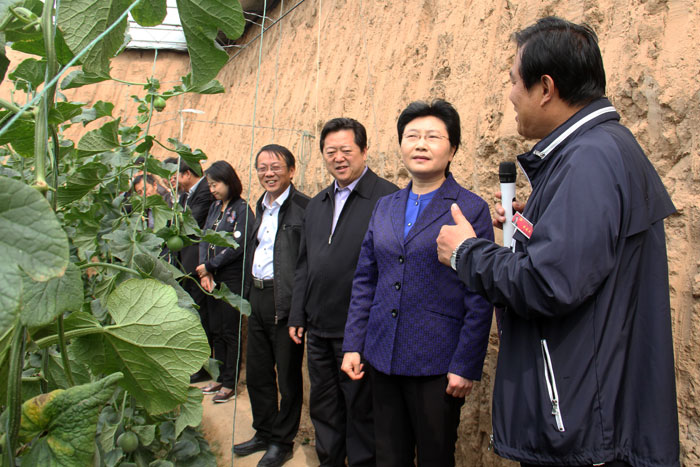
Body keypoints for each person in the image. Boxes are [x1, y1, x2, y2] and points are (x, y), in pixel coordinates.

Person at [436, 17, 679, 467]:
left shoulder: (589, 159)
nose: (509, 95)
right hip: (589, 409)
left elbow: (548, 283)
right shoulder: (597, 150)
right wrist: (533, 227)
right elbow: (582, 259)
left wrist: (466, 253)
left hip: (583, 424)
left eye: (513, 81)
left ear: (545, 87)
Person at [341, 100, 493, 466]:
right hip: (382, 355)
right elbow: (366, 279)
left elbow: (480, 293)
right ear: (401, 144)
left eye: (432, 137)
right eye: (412, 136)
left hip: (436, 363)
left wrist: (466, 364)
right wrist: (354, 344)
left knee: (435, 457)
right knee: (388, 456)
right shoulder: (386, 206)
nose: (420, 145)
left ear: (452, 148)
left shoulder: (470, 208)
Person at [288, 118, 398, 466]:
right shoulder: (318, 203)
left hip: (362, 332)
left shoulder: (388, 198)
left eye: (346, 150)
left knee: (362, 412)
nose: (338, 158)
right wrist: (297, 313)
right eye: (330, 151)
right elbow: (305, 263)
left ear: (365, 151)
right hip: (318, 328)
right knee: (324, 408)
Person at [233, 145, 309, 467]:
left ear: (291, 170)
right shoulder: (260, 207)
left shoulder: (305, 208)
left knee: (288, 378)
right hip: (259, 297)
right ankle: (263, 431)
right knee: (258, 373)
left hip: (286, 301)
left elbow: (307, 262)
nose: (268, 173)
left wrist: (299, 309)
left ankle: (283, 441)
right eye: (262, 168)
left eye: (275, 167)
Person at [197, 161, 255, 403]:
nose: (212, 189)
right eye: (210, 185)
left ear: (229, 181)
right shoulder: (214, 208)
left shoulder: (242, 209)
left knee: (230, 331)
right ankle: (219, 376)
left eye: (216, 184)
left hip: (231, 278)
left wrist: (210, 266)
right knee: (216, 329)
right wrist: (204, 271)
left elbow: (237, 246)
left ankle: (230, 382)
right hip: (211, 278)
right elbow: (203, 239)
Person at [164, 156, 215, 384]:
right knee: (192, 318)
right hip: (184, 265)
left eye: (173, 176)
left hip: (198, 267)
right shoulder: (184, 196)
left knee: (201, 318)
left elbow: (189, 224)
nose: (170, 181)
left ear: (186, 174)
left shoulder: (204, 190)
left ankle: (203, 366)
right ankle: (193, 362)